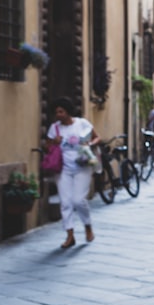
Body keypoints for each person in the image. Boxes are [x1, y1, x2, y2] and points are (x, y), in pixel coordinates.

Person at [46, 96, 99, 250]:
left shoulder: (82, 123)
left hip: (83, 166)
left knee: (78, 200)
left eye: (61, 112)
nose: (59, 115)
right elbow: (47, 147)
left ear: (68, 112)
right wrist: (53, 142)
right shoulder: (54, 128)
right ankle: (70, 235)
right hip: (63, 169)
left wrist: (89, 143)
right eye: (56, 112)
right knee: (66, 202)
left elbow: (97, 137)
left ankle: (87, 226)